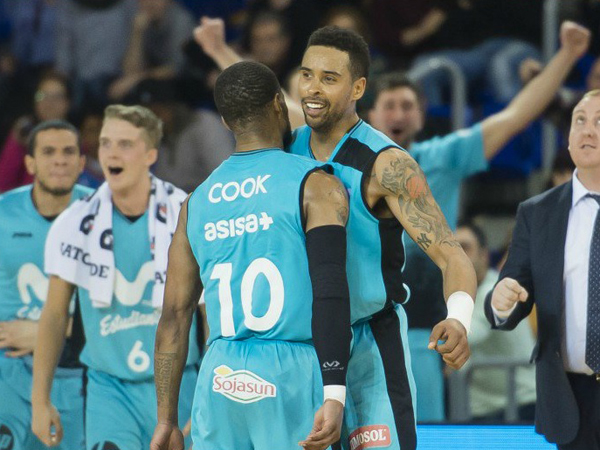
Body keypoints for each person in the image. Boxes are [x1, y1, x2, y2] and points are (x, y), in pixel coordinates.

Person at [366, 21, 590, 421]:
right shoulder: (348, 160)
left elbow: (516, 116)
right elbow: (292, 115)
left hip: (425, 315)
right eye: (390, 105)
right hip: (364, 307)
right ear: (370, 115)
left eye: (408, 105)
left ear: (421, 117)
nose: (398, 114)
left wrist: (568, 54)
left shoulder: (445, 156)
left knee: (423, 429)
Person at [290, 27, 477, 449]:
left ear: (358, 88)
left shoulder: (388, 164)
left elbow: (452, 256)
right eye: (306, 75)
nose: (313, 89)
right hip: (299, 345)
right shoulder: (281, 149)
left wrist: (459, 317)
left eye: (329, 78)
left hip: (370, 345)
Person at [149, 61, 352, 450]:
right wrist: (334, 391)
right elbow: (330, 290)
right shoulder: (315, 183)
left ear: (226, 122)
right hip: (290, 369)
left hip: (220, 375)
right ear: (279, 104)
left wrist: (166, 419)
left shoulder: (196, 202)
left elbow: (174, 315)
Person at [31, 105, 201, 450]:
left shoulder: (187, 213)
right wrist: (40, 400)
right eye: (106, 143)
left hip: (180, 386)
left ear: (150, 154)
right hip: (110, 392)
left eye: (125, 144)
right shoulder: (74, 222)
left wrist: (208, 399)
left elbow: (213, 313)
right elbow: (54, 314)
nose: (111, 153)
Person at [486, 89, 600, 449]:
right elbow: (513, 287)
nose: (588, 130)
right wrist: (500, 302)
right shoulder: (536, 213)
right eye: (580, 120)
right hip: (570, 396)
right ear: (568, 138)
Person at [0, 120, 89, 450]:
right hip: (8, 369)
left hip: (80, 373)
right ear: (30, 163)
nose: (60, 160)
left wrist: (50, 331)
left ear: (82, 162)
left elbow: (126, 306)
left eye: (68, 152)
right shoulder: (3, 214)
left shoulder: (101, 216)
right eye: (48, 152)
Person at [455, 222, 536, 422]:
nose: (457, 255)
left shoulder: (494, 290)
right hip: (487, 405)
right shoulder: (462, 294)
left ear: (484, 255)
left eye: (465, 247)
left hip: (518, 406)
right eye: (452, 249)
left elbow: (465, 335)